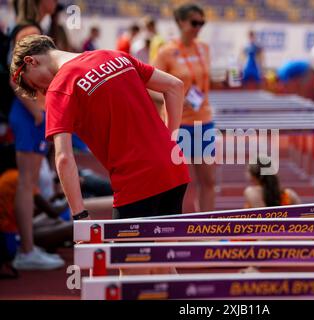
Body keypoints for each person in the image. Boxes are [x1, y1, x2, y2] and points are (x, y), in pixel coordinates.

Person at [10, 34, 190, 222]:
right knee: (167, 250)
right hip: (174, 170)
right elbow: (174, 86)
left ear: (31, 61)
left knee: (126, 252)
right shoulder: (114, 55)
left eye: (33, 84)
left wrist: (80, 215)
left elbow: (63, 158)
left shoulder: (59, 87)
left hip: (137, 181)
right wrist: (170, 141)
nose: (41, 91)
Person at [8, 22, 62, 270]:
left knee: (31, 184)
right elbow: (15, 75)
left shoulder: (34, 29)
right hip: (30, 115)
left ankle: (28, 246)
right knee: (27, 183)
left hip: (34, 113)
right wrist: (36, 112)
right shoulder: (28, 33)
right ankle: (26, 250)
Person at [153, 3, 216, 212]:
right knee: (176, 184)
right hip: (177, 124)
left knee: (208, 181)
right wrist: (175, 98)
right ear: (180, 22)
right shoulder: (166, 53)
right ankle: (175, 230)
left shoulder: (204, 48)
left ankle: (207, 229)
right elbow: (148, 89)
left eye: (202, 23)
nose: (198, 27)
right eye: (194, 22)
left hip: (203, 121)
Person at [0, 143, 69, 270]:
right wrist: (72, 194)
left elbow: (34, 211)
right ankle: (28, 250)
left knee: (55, 221)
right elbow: (53, 211)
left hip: (11, 235)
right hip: (12, 240)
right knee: (73, 226)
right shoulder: (18, 178)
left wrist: (56, 198)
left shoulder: (9, 176)